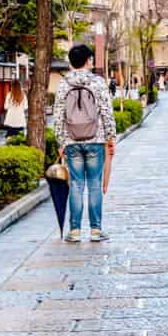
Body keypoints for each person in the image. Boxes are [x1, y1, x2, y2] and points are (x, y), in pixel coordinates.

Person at [53, 44, 117, 242]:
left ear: (71, 62)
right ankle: (96, 231)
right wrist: (110, 137)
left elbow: (58, 115)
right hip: (96, 139)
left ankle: (74, 231)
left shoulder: (63, 84)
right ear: (89, 60)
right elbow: (106, 111)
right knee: (95, 184)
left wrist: (61, 141)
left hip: (71, 141)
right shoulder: (97, 82)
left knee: (76, 185)